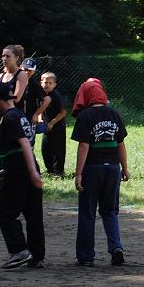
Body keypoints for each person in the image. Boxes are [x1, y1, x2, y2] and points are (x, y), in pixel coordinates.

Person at [71, 78, 130, 266]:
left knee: (87, 213)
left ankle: (86, 257)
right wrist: (125, 168)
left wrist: (78, 174)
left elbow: (84, 146)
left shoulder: (85, 116)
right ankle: (116, 247)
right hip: (112, 168)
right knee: (110, 211)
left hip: (92, 169)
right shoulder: (114, 114)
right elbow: (121, 144)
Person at [0, 82, 46, 269]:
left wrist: (32, 173)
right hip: (23, 166)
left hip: (19, 169)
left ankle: (19, 250)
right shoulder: (20, 115)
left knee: (5, 212)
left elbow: (24, 144)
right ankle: (37, 255)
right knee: (33, 214)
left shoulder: (9, 118)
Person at [40, 71, 67, 176]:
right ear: (41, 83)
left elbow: (63, 112)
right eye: (45, 82)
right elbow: (40, 109)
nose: (47, 85)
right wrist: (40, 119)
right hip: (47, 127)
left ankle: (58, 171)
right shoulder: (41, 95)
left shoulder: (55, 96)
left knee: (58, 149)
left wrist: (52, 123)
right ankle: (50, 169)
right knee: (45, 149)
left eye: (50, 83)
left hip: (58, 127)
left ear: (54, 84)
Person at [19, 58, 50, 136]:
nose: (27, 72)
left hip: (29, 118)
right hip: (15, 116)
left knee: (29, 140)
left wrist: (36, 114)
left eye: (30, 70)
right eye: (25, 69)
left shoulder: (34, 85)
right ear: (20, 68)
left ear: (33, 72)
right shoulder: (15, 80)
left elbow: (47, 100)